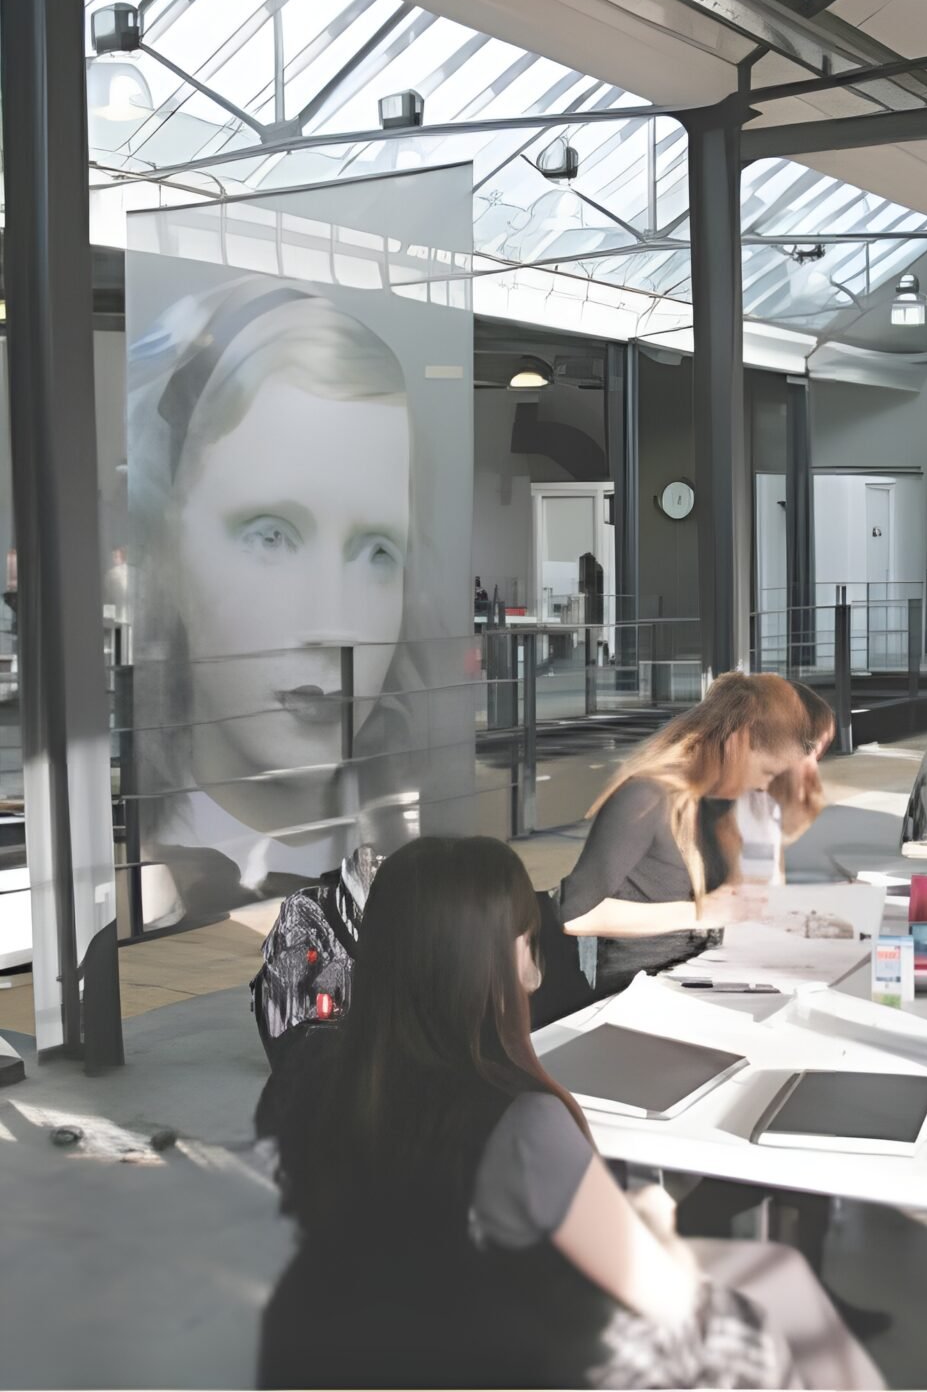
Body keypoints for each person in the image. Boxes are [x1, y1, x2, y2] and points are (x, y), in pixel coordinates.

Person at [256, 835, 883, 1390]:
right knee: (768, 1310)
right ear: (509, 960)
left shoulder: (315, 1078)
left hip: (397, 1347)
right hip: (524, 1354)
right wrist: (656, 1222)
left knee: (779, 1270)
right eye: (529, 937)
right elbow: (665, 1299)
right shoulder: (519, 1124)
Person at [127, 276, 469, 925]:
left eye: (377, 551)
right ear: (168, 548)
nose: (332, 623)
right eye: (271, 536)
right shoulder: (142, 883)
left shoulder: (417, 851)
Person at [558, 673, 834, 998]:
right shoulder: (647, 796)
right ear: (739, 742)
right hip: (643, 991)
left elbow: (761, 903)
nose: (764, 785)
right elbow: (576, 915)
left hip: (712, 976)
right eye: (767, 772)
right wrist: (702, 912)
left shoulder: (738, 801)